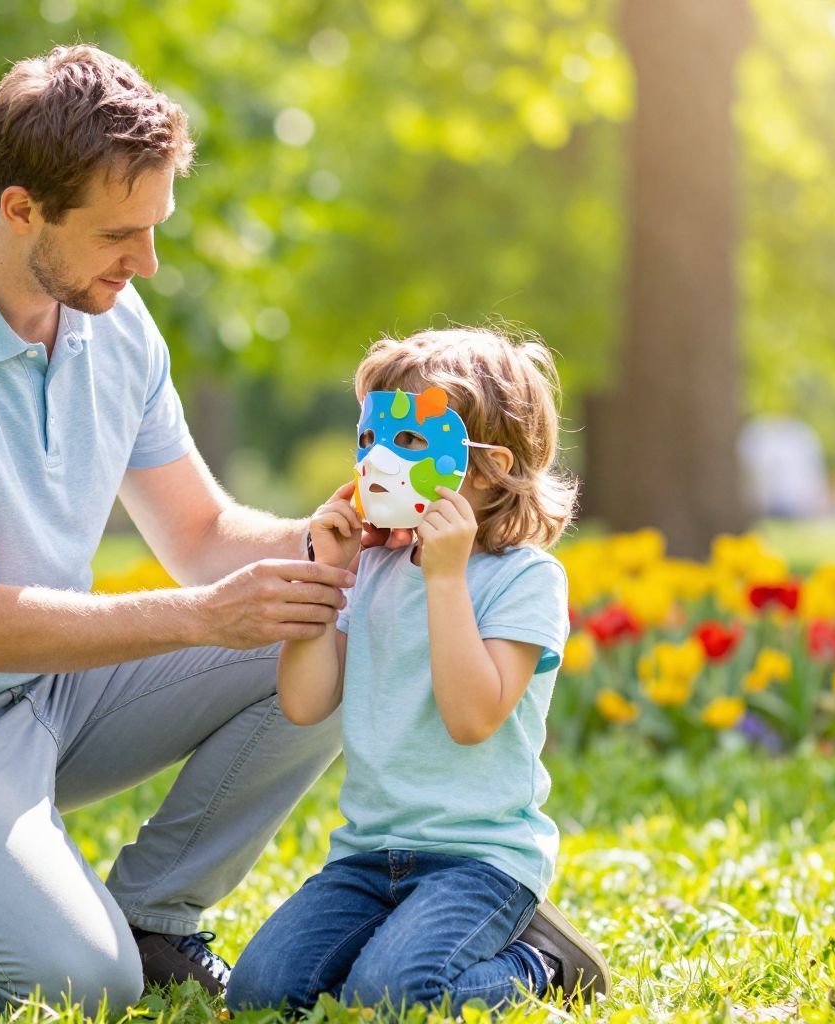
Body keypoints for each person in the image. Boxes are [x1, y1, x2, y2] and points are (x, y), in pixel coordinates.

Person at [0, 45, 354, 1013]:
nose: (146, 263)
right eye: (120, 234)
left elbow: (205, 533)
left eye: (155, 228)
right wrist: (203, 618)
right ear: (21, 210)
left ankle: (156, 914)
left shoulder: (117, 325)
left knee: (334, 635)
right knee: (89, 985)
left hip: (50, 692)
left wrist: (334, 538)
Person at [226, 327, 611, 1015]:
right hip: (368, 855)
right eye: (370, 440)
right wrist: (326, 574)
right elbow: (305, 703)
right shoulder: (370, 570)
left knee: (395, 997)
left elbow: (472, 718)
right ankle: (393, 947)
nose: (377, 461)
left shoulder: (526, 579)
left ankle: (542, 963)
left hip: (479, 862)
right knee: (258, 993)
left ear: (490, 467)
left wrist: (444, 580)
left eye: (407, 443)